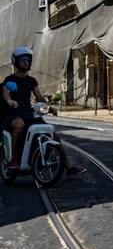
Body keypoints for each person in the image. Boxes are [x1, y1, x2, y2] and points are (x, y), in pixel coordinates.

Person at [2, 46, 85, 175]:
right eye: (23, 59)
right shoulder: (10, 80)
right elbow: (6, 92)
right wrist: (9, 101)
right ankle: (13, 158)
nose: (26, 62)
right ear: (16, 61)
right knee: (19, 126)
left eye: (28, 59)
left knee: (54, 134)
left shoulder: (31, 80)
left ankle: (68, 167)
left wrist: (49, 107)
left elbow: (39, 96)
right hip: (13, 113)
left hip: (28, 113)